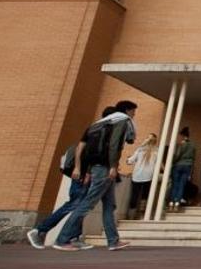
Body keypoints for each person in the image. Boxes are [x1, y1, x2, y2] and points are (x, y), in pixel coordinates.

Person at [26, 108, 118, 249]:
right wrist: (82, 170)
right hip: (82, 175)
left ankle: (74, 237)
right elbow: (81, 149)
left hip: (85, 173)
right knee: (75, 204)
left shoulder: (97, 128)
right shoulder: (99, 130)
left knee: (80, 204)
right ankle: (39, 230)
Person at [52, 101, 138, 252]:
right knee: (88, 203)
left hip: (98, 167)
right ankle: (62, 239)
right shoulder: (122, 121)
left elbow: (92, 148)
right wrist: (113, 166)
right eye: (133, 111)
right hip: (105, 168)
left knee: (109, 205)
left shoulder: (102, 123)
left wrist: (90, 170)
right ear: (127, 110)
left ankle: (113, 241)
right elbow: (114, 145)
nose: (134, 114)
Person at [126, 133, 157, 218]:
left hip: (137, 176)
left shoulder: (140, 149)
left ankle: (131, 215)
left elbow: (130, 161)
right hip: (149, 176)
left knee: (134, 195)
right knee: (145, 196)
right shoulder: (156, 151)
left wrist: (127, 159)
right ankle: (142, 214)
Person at [167, 127, 195, 211]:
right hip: (188, 166)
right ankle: (177, 203)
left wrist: (172, 162)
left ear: (182, 135)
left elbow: (177, 155)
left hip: (178, 165)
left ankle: (172, 202)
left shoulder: (181, 144)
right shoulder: (192, 145)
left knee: (175, 184)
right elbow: (193, 158)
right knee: (182, 185)